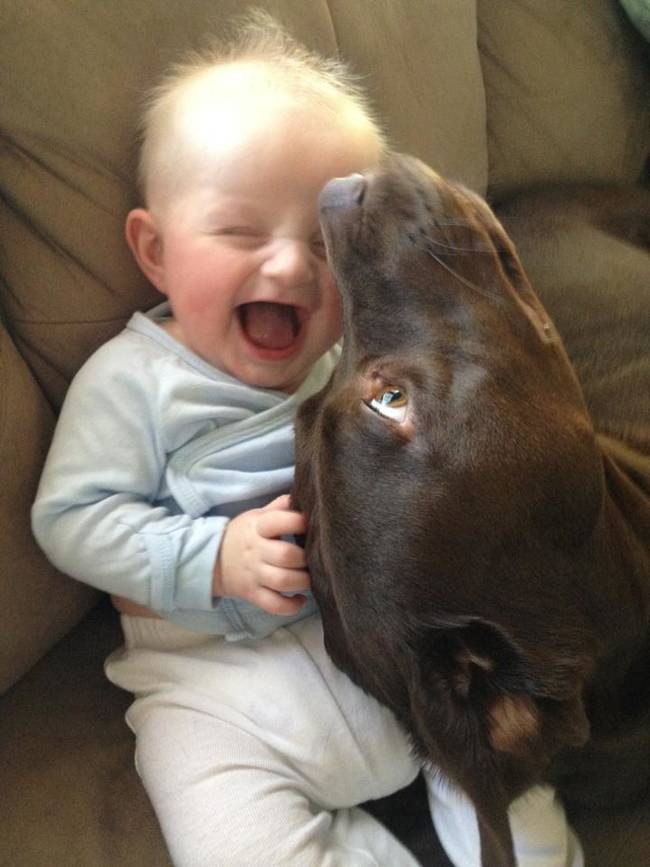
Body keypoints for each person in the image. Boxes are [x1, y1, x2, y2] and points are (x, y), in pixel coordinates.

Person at [32, 13, 583, 867]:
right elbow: (69, 518)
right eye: (241, 233)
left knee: (514, 775)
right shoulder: (133, 379)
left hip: (392, 655)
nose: (289, 268)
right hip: (213, 683)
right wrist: (209, 556)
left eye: (326, 246)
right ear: (154, 250)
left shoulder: (351, 357)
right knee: (228, 831)